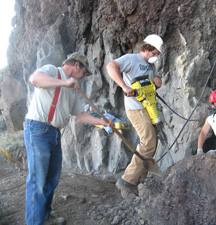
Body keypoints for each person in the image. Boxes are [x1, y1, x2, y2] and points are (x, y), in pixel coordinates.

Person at [24, 52, 114, 225]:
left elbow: (80, 115)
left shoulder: (73, 90)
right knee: (38, 181)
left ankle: (45, 216)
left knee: (52, 179)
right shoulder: (52, 71)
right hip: (37, 130)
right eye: (84, 72)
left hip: (54, 134)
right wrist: (64, 82)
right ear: (77, 65)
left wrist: (103, 122)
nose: (84, 76)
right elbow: (35, 79)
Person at [106, 34, 164, 200]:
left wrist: (156, 81)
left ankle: (139, 181)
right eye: (155, 53)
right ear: (146, 49)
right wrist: (124, 86)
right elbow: (111, 66)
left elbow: (157, 79)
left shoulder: (150, 65)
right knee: (148, 141)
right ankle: (126, 182)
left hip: (149, 107)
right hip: (135, 108)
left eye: (158, 54)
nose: (156, 56)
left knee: (154, 143)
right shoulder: (131, 59)